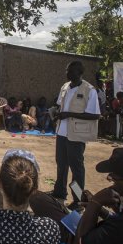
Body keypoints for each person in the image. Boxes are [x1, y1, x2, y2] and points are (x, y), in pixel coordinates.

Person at [52, 61, 100, 210]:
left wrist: (70, 114)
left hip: (77, 135)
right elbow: (61, 105)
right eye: (67, 71)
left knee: (76, 169)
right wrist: (57, 113)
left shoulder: (89, 90)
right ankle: (60, 192)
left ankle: (78, 200)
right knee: (61, 163)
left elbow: (95, 115)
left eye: (71, 71)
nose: (67, 74)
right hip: (62, 132)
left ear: (80, 73)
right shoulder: (65, 87)